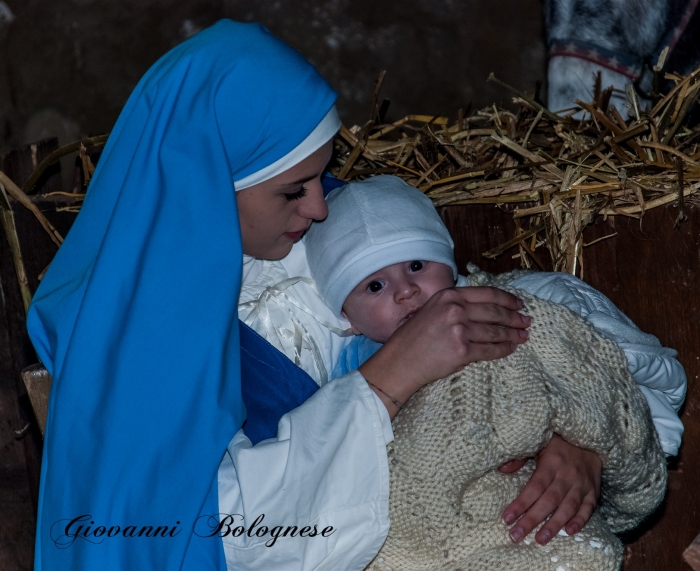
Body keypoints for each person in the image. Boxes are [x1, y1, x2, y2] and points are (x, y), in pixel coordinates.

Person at [26, 20, 533, 571]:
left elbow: (523, 308)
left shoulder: (328, 230)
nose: (320, 207)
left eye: (324, 173)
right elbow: (227, 536)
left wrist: (574, 440)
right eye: (295, 190)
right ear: (211, 186)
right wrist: (389, 379)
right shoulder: (135, 336)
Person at [301, 176, 675, 568]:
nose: (406, 290)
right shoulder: (339, 385)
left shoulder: (514, 311)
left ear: (449, 265)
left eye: (416, 265)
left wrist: (585, 442)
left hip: (523, 521)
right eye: (374, 285)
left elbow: (626, 377)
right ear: (349, 319)